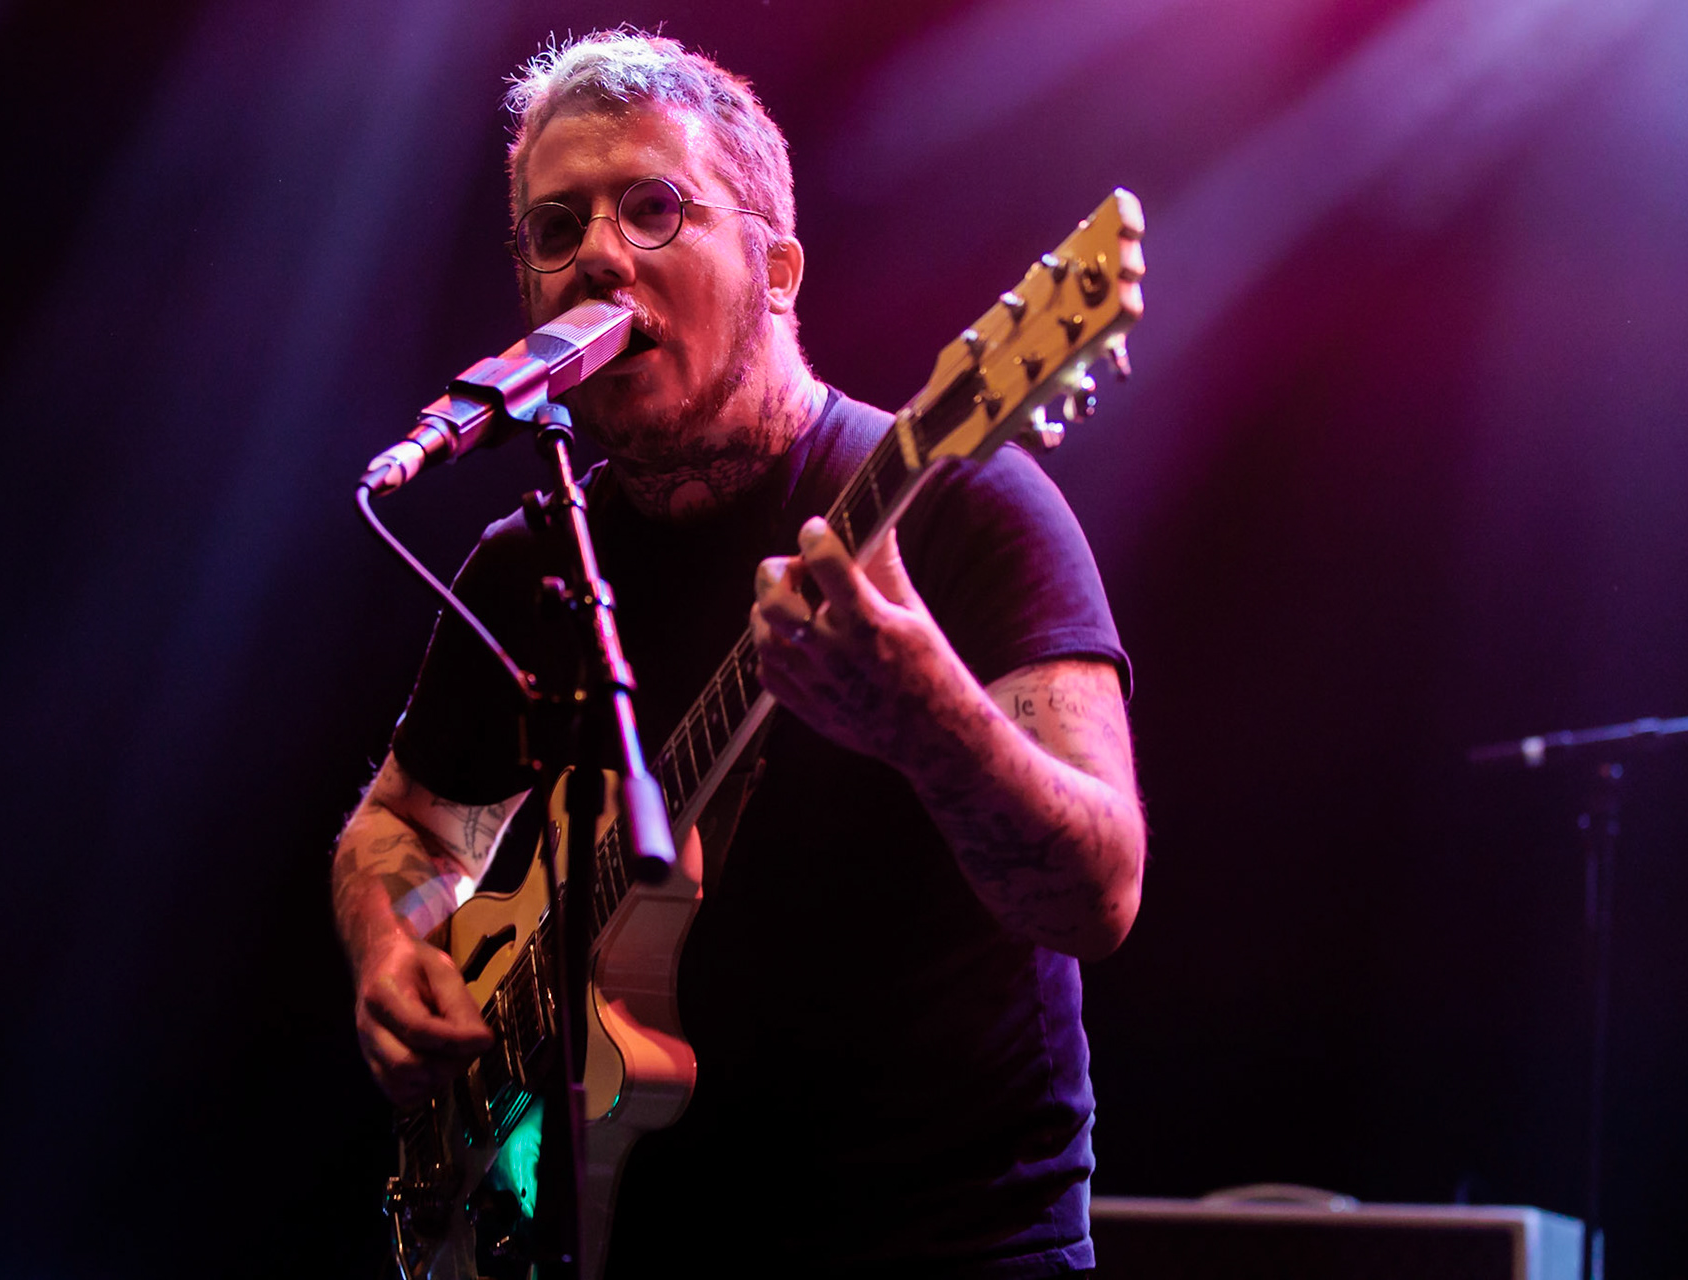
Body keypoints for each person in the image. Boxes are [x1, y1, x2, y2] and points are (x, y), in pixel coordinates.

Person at [331, 29, 1146, 1277]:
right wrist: (393, 945)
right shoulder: (526, 564)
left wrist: (927, 717)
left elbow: (1098, 892)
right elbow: (402, 823)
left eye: (654, 207)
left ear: (778, 269)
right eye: (557, 227)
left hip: (946, 1246)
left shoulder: (963, 504)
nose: (599, 251)